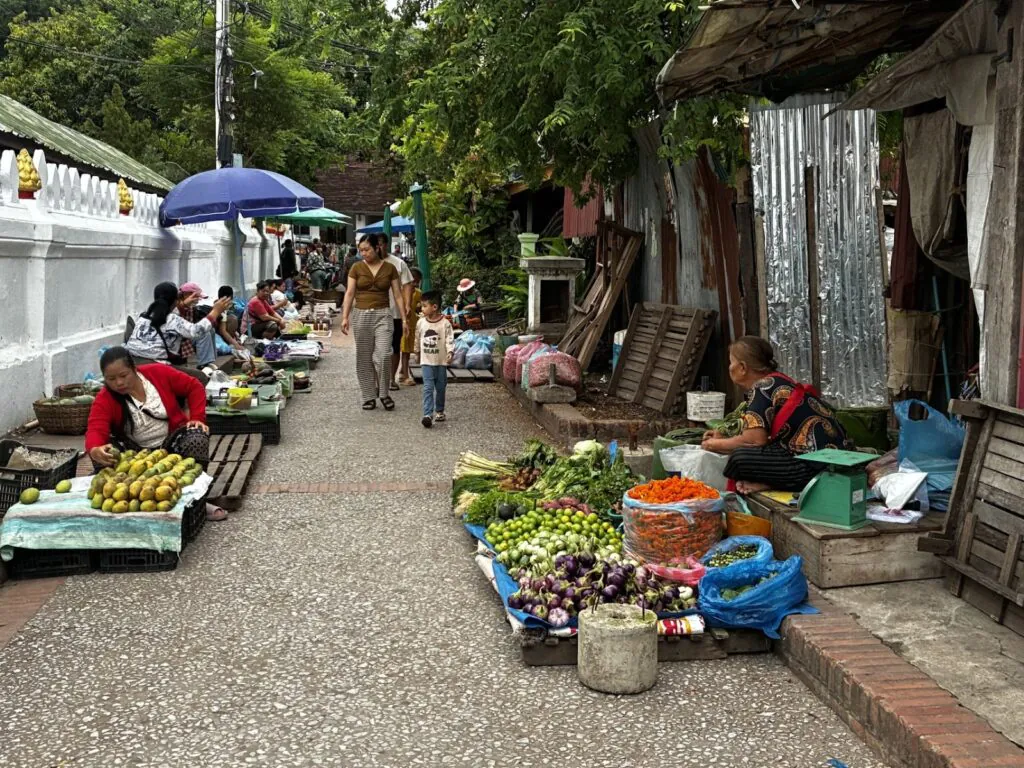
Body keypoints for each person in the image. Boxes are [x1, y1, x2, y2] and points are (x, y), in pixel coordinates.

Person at [85, 346, 228, 520]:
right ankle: (122, 499)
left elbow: (194, 386)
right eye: (111, 379)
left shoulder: (157, 373)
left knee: (197, 436)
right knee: (102, 452)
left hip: (173, 444)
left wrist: (197, 418)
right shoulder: (105, 398)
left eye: (123, 375)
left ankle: (197, 499)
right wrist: (95, 449)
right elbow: (95, 428)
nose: (119, 383)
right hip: (134, 454)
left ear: (134, 368)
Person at [701, 336, 852, 493]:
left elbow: (753, 441)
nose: (729, 368)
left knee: (739, 459)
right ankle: (771, 482)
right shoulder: (777, 381)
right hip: (835, 457)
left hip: (815, 464)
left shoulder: (761, 388)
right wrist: (724, 440)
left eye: (731, 362)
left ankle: (778, 484)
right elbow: (759, 436)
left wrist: (712, 445)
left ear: (743, 367)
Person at [341, 233, 408, 410]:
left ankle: (384, 393)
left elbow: (398, 294)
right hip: (361, 314)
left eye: (367, 249)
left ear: (377, 247)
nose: (364, 253)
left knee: (384, 354)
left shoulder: (390, 268)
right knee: (364, 356)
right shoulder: (356, 267)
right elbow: (350, 293)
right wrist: (345, 317)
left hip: (383, 314)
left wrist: (404, 318)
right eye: (361, 250)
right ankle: (368, 395)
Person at [126, 282, 232, 383]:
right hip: (156, 365)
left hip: (133, 361)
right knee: (200, 378)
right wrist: (215, 311)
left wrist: (184, 304)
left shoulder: (144, 316)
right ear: (175, 301)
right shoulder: (171, 319)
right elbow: (196, 331)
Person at [378, 232, 415, 390]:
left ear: (386, 245)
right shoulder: (367, 264)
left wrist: (407, 304)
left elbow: (407, 285)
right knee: (377, 348)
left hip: (395, 312)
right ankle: (379, 379)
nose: (378, 248)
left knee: (394, 346)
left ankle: (391, 379)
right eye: (375, 245)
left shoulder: (399, 264)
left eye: (380, 244)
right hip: (375, 312)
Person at [415, 290, 454, 428]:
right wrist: (417, 352)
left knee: (441, 387)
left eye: (424, 306)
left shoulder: (445, 324)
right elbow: (417, 337)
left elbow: (449, 339)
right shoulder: (421, 323)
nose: (422, 309)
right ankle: (427, 414)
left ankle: (440, 410)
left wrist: (450, 352)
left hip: (441, 361)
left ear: (434, 307)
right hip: (426, 361)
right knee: (428, 387)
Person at [399, 268, 423, 385]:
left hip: (413, 324)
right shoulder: (400, 292)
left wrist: (420, 308)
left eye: (417, 282)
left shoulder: (418, 293)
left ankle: (402, 372)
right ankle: (405, 377)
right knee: (405, 351)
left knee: (408, 350)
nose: (415, 284)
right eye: (413, 281)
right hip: (403, 325)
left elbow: (420, 307)